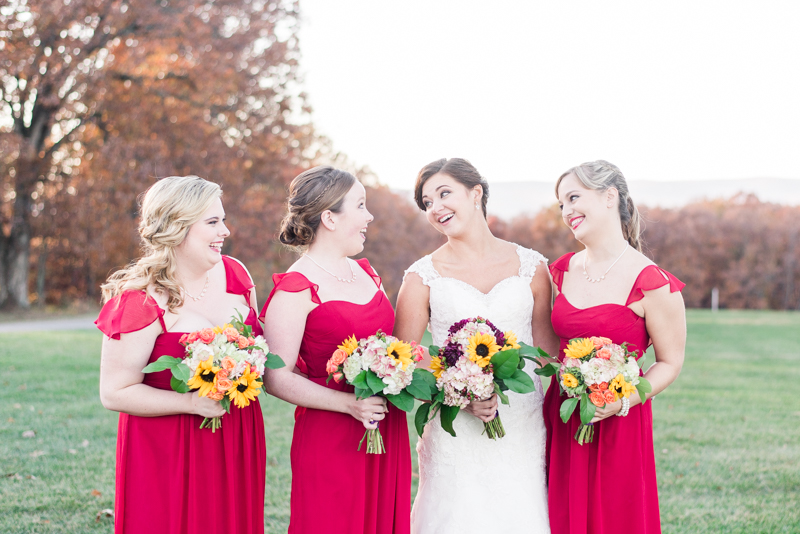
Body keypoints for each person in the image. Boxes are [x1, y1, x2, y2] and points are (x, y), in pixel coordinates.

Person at [394, 158, 557, 533]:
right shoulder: (422, 277)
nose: (436, 207)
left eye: (444, 193)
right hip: (455, 433)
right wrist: (458, 395)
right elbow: (403, 363)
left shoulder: (532, 267)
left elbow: (550, 355)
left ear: (476, 192)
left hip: (521, 426)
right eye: (427, 202)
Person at [96, 176, 265, 533]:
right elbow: (114, 391)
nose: (226, 231)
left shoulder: (236, 275)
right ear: (177, 226)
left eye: (223, 219)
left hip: (236, 434)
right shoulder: (140, 299)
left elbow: (261, 349)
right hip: (169, 448)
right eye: (213, 222)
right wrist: (190, 404)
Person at [259, 166, 411, 534]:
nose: (369, 216)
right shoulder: (296, 288)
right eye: (360, 206)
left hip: (385, 425)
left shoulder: (366, 272)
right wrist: (349, 404)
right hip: (332, 432)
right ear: (329, 217)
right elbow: (275, 378)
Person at [545, 160, 686, 534]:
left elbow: (670, 362)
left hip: (619, 422)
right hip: (561, 414)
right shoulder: (559, 272)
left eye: (574, 198)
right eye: (561, 204)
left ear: (610, 197)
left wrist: (624, 399)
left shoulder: (653, 283)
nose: (567, 211)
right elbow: (545, 348)